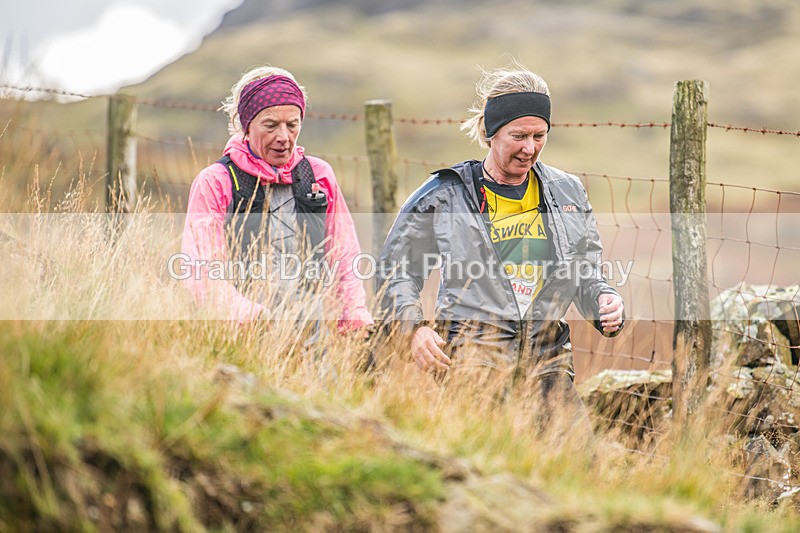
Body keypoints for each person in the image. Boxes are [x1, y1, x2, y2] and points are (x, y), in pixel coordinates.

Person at [378, 63, 624, 438]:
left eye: (540, 135)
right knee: (485, 466)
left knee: (576, 465)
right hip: (474, 360)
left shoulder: (567, 192)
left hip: (548, 358)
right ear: (491, 133)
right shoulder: (445, 194)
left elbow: (584, 271)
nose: (530, 148)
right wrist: (414, 329)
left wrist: (605, 301)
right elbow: (395, 271)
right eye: (519, 135)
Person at [181, 66, 372, 335]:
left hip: (313, 332)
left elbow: (344, 251)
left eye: (292, 125)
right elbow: (200, 269)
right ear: (247, 126)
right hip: (238, 333)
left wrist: (353, 312)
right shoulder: (216, 181)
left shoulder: (318, 175)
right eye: (270, 125)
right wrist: (251, 317)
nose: (283, 137)